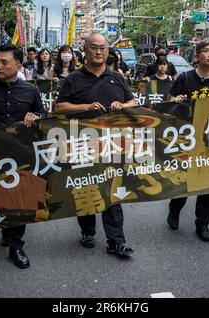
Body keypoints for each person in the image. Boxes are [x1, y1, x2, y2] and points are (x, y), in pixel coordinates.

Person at [56, 32, 137, 256]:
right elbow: (59, 108)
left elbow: (133, 100)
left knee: (112, 192)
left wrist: (124, 105)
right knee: (86, 188)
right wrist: (86, 107)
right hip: (81, 143)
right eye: (94, 47)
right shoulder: (73, 79)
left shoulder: (117, 77)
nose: (99, 52)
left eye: (103, 48)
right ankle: (88, 230)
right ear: (85, 50)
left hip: (112, 144)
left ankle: (116, 241)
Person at [0, 44, 47, 269]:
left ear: (18, 65)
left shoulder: (30, 91)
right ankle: (6, 229)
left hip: (21, 154)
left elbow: (43, 114)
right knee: (1, 197)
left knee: (19, 199)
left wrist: (36, 115)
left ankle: (16, 246)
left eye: (4, 62)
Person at [167, 39, 209, 242]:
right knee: (183, 183)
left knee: (208, 186)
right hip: (186, 140)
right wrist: (175, 101)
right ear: (197, 56)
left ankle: (202, 224)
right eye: (206, 51)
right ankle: (174, 211)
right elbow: (168, 105)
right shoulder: (184, 79)